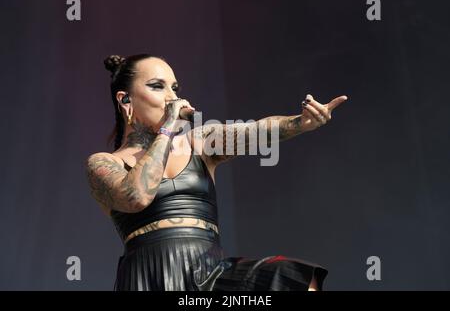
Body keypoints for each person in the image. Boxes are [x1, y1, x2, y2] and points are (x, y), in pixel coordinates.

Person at [85, 53, 348, 291]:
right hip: (147, 277)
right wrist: (167, 129)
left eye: (174, 88)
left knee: (294, 280)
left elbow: (256, 131)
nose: (171, 97)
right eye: (157, 86)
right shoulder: (103, 163)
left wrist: (300, 123)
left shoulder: (199, 142)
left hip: (209, 275)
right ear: (125, 99)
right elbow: (136, 196)